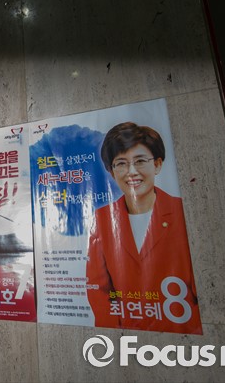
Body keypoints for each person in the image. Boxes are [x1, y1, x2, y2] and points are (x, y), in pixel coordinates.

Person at [86, 122, 200, 333]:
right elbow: (98, 288)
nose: (131, 172)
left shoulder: (181, 211)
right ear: (112, 172)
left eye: (140, 161)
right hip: (125, 331)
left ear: (157, 164)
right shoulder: (102, 217)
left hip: (181, 330)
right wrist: (115, 333)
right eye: (121, 163)